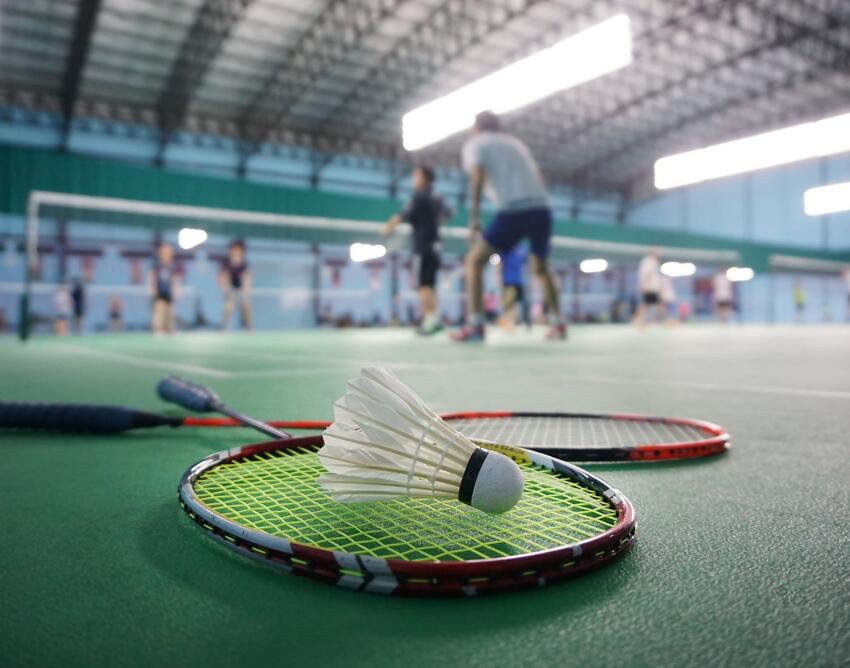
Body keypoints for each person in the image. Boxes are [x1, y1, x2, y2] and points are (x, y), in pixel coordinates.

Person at [454, 110, 565, 341]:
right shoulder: (516, 144)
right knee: (541, 268)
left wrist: (473, 217)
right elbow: (537, 177)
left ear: (476, 127)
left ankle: (475, 325)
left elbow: (478, 176)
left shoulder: (475, 144)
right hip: (541, 208)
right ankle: (558, 323)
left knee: (474, 261)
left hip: (513, 211)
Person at [382, 165, 451, 335]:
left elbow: (403, 215)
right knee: (431, 286)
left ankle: (429, 321)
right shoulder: (438, 197)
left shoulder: (418, 196)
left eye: (416, 176)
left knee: (422, 285)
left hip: (422, 246)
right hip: (436, 245)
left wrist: (387, 227)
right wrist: (433, 223)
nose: (414, 179)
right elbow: (448, 214)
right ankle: (434, 319)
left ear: (425, 178)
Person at [219, 240, 252, 330]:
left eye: (238, 250)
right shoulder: (226, 263)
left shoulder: (244, 264)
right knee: (228, 307)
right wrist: (225, 288)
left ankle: (248, 328)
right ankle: (223, 329)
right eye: (234, 249)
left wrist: (246, 290)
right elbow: (223, 277)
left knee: (246, 306)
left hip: (241, 289)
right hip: (230, 288)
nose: (236, 251)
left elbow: (247, 278)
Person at [148, 241, 180, 334]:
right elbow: (152, 277)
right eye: (164, 251)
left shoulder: (172, 266)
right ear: (160, 253)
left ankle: (169, 328)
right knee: (159, 310)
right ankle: (158, 328)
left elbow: (175, 279)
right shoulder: (157, 265)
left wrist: (176, 290)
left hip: (169, 291)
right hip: (159, 291)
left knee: (170, 311)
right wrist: (152, 288)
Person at [498, 244, 530, 330]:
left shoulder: (522, 249)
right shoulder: (505, 248)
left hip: (519, 281)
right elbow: (499, 264)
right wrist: (499, 279)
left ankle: (512, 322)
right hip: (508, 281)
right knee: (509, 303)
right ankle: (507, 322)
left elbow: (525, 265)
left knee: (518, 303)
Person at [633, 249, 663, 325]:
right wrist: (644, 285)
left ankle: (638, 320)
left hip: (651, 287)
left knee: (646, 304)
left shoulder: (649, 261)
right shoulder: (650, 262)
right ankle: (637, 320)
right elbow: (647, 274)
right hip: (650, 287)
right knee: (652, 304)